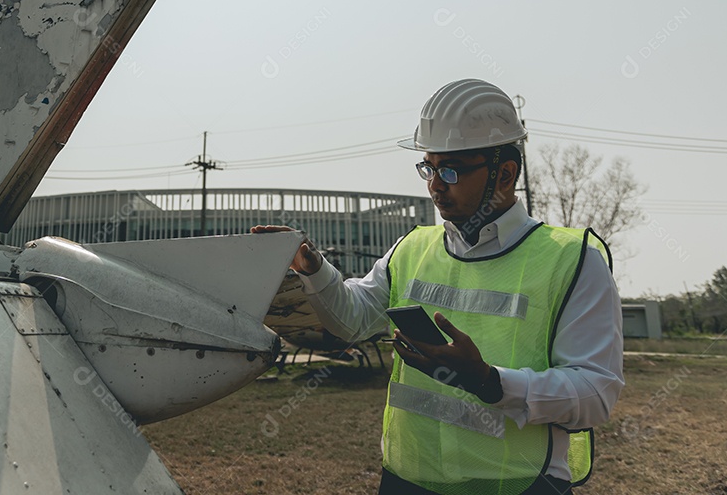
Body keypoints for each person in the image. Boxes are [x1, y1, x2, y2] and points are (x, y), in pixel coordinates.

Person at [253, 79, 624, 495]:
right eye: (429, 167)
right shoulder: (412, 248)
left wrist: (489, 381)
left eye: (451, 170)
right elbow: (353, 320)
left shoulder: (572, 260)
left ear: (505, 173)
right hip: (407, 480)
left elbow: (595, 394)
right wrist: (313, 268)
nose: (434, 185)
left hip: (518, 485)